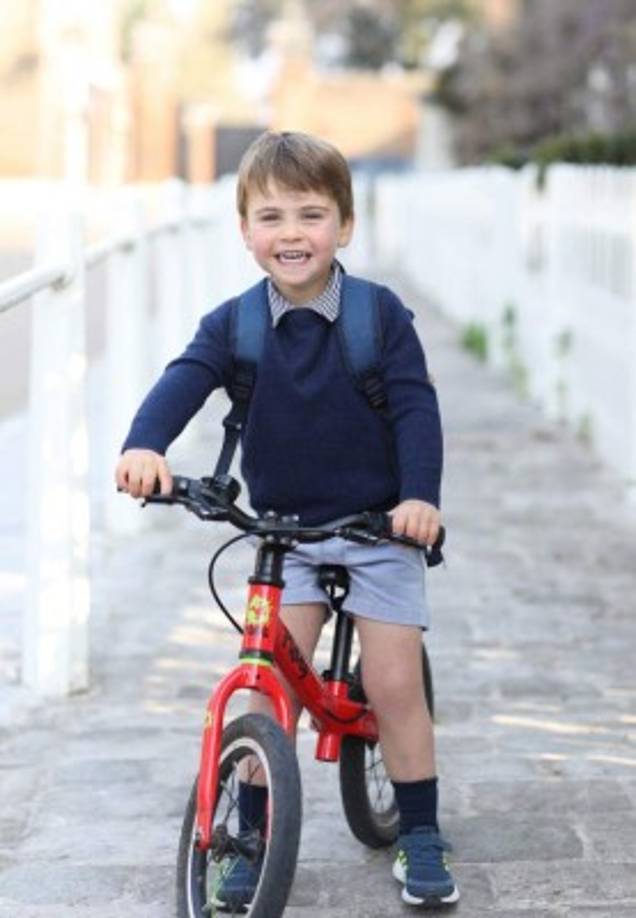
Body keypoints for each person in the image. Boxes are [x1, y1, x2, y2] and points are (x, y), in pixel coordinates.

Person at [115, 130, 459, 909]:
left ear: (345, 224)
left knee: (394, 682)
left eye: (312, 214)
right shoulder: (233, 324)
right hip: (283, 533)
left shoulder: (378, 316)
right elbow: (184, 381)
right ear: (245, 232)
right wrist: (145, 445)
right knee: (267, 691)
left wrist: (419, 497)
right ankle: (248, 837)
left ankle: (420, 831)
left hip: (379, 527)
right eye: (271, 218)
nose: (292, 234)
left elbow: (414, 407)